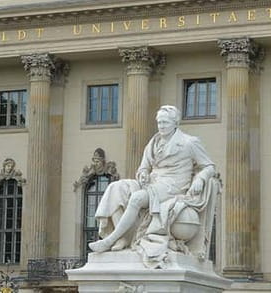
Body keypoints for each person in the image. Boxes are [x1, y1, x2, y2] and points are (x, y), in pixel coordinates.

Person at [88, 106, 218, 264]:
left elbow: (209, 167)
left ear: (175, 123)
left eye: (165, 122)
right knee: (116, 188)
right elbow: (143, 167)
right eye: (159, 122)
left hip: (172, 186)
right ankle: (124, 238)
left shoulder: (189, 142)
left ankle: (110, 240)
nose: (161, 126)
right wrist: (142, 174)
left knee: (137, 198)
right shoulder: (153, 143)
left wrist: (200, 179)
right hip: (152, 183)